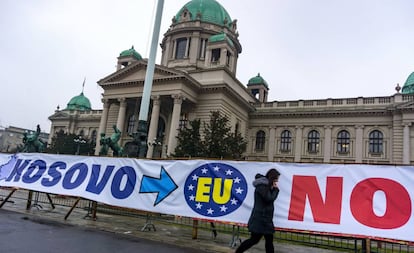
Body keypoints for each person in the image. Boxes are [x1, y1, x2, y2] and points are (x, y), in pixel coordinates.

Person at [235, 168, 280, 253]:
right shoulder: (262, 187)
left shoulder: (266, 187)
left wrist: (272, 189)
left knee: (269, 241)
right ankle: (238, 251)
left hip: (266, 219)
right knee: (254, 240)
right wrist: (276, 190)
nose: (276, 182)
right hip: (260, 219)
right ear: (271, 178)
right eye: (275, 180)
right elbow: (269, 198)